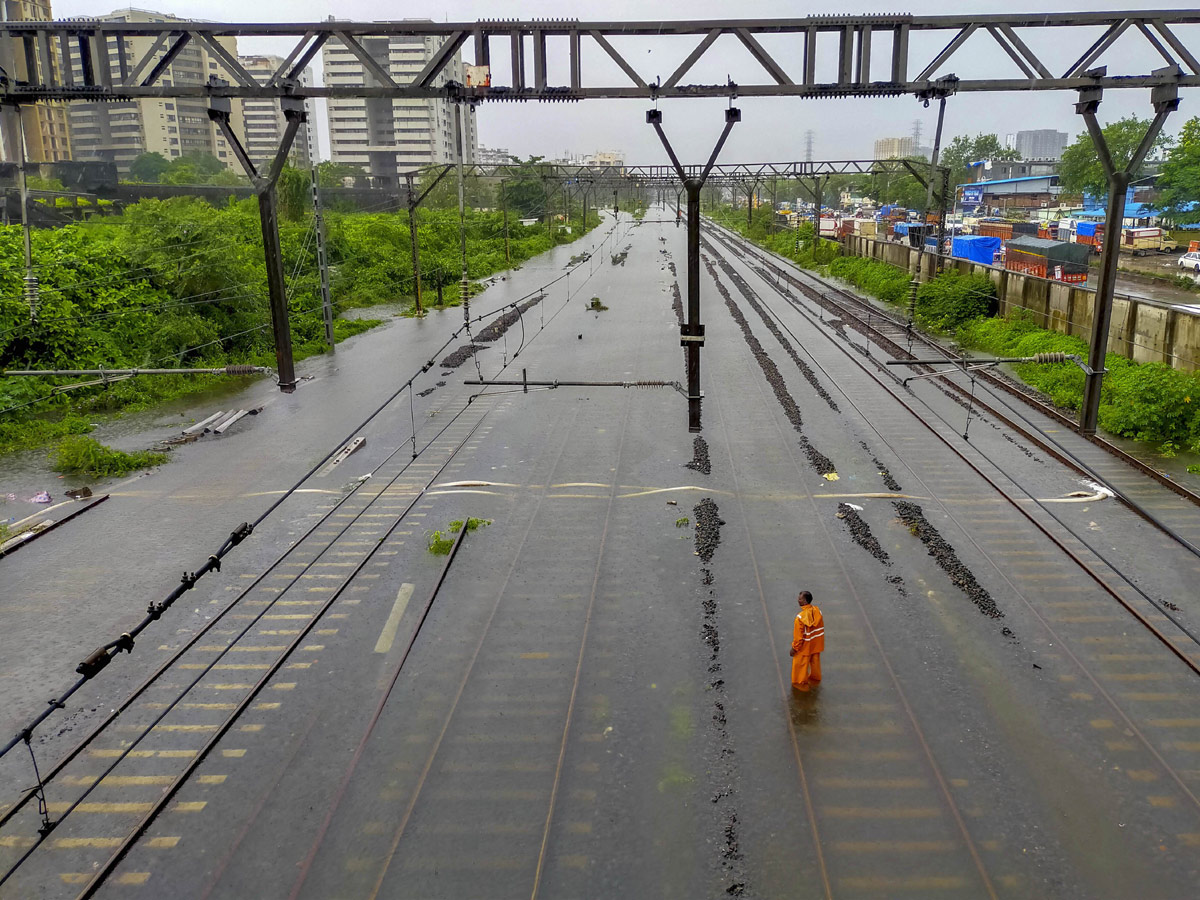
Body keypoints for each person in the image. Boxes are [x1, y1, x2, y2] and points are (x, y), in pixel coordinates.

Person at [790, 591, 824, 692]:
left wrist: (794, 648)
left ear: (805, 601)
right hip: (816, 645)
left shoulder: (800, 618)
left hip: (804, 647)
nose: (798, 600)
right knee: (815, 663)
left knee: (799, 668)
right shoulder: (818, 612)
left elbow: (798, 637)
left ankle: (800, 685)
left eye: (800, 599)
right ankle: (815, 680)